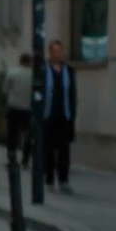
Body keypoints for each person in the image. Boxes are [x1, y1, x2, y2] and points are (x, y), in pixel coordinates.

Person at [40, 40, 77, 192]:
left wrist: (73, 113)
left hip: (64, 115)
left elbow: (72, 93)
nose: (57, 54)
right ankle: (48, 178)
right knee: (48, 148)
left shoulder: (68, 70)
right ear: (50, 52)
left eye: (59, 51)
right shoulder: (43, 70)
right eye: (54, 51)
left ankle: (63, 179)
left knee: (64, 149)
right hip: (48, 115)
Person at [2, 53, 33, 166]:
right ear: (30, 62)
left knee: (12, 133)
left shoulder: (12, 73)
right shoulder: (34, 75)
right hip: (28, 108)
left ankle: (12, 157)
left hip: (14, 106)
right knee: (27, 134)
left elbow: (5, 90)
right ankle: (25, 159)